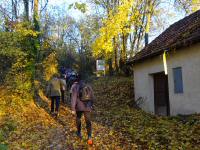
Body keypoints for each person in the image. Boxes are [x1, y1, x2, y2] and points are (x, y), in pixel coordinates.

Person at [71, 75, 94, 145]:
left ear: (77, 80)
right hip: (87, 106)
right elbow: (92, 96)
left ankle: (79, 132)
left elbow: (73, 98)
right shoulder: (88, 86)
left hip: (79, 107)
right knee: (88, 121)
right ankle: (89, 137)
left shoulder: (75, 87)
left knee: (78, 118)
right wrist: (92, 105)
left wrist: (73, 108)